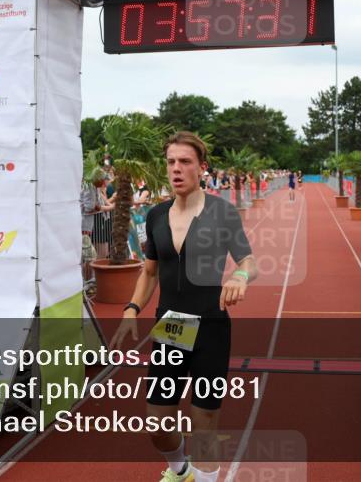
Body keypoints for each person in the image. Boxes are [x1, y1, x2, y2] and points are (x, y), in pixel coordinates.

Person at [112, 131, 257, 482]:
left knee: (204, 421)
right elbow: (149, 272)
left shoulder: (222, 212)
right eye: (171, 162)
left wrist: (239, 276)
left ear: (202, 167)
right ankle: (180, 469)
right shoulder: (155, 216)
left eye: (185, 162)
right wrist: (132, 308)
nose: (176, 168)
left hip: (211, 326)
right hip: (172, 326)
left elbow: (249, 261)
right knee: (157, 423)